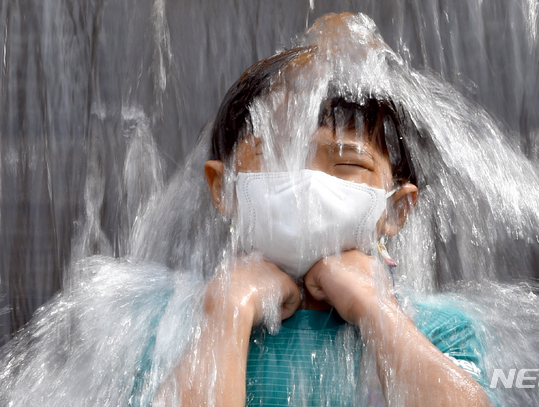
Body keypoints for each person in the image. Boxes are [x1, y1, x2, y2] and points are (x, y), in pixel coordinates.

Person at [154, 13, 491, 407]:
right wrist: (227, 310)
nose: (304, 183)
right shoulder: (172, 323)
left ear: (397, 209)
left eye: (348, 163)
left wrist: (376, 309)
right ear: (223, 187)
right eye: (276, 156)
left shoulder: (439, 330)